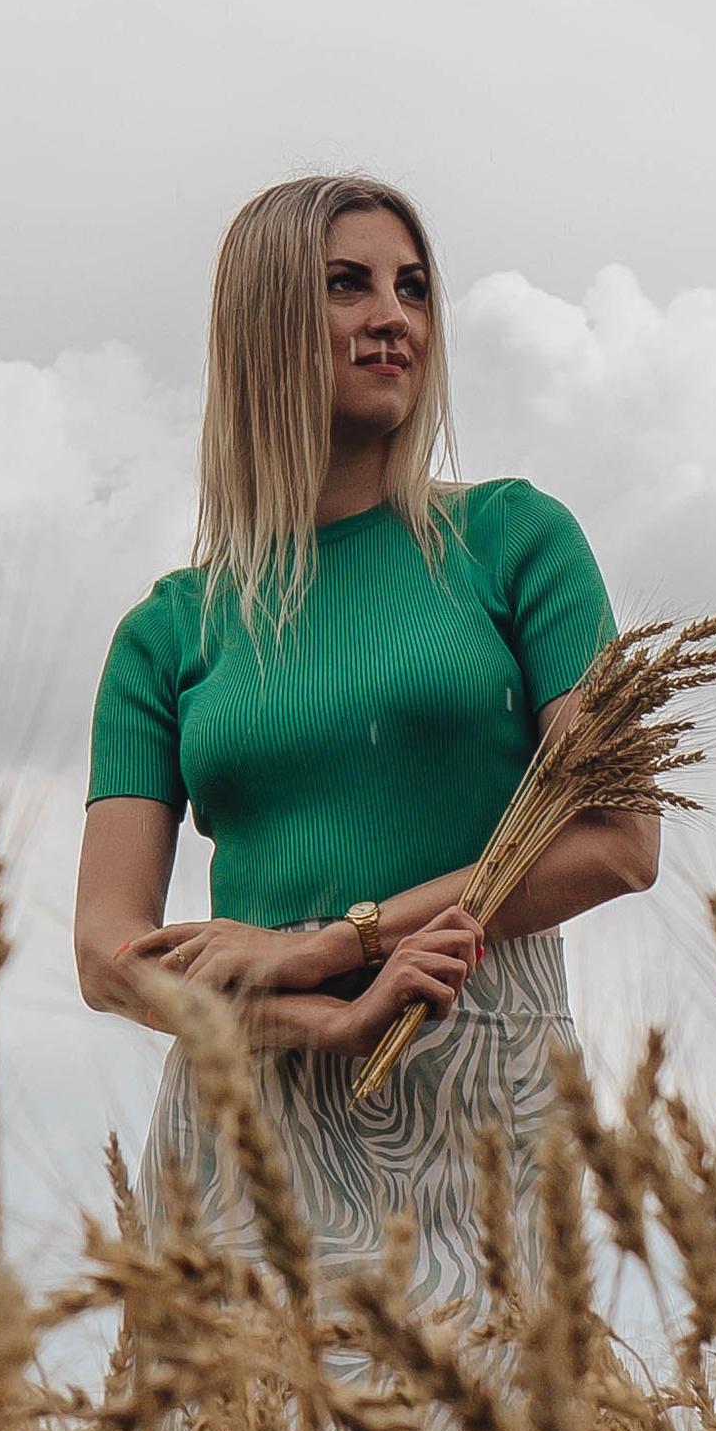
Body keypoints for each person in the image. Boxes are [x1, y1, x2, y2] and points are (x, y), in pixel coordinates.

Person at [74, 173, 658, 1314]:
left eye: (414, 287)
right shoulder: (167, 632)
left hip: (480, 1073)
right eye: (345, 286)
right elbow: (107, 955)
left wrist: (331, 943)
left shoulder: (515, 540)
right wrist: (317, 1012)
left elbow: (616, 841)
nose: (393, 315)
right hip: (245, 1113)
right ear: (262, 327)